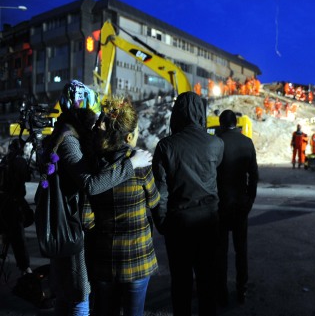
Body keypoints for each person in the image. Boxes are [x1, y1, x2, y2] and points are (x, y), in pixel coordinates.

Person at [42, 80, 152, 316]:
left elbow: (89, 208)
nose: (96, 122)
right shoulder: (70, 141)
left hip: (79, 230)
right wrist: (131, 163)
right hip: (71, 226)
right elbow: (91, 185)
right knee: (78, 296)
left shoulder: (76, 137)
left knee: (72, 294)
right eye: (93, 115)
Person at [85, 97, 160, 316]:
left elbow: (86, 219)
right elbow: (154, 201)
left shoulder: (95, 166)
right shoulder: (141, 165)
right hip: (137, 260)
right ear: (129, 136)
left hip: (105, 262)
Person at [152, 91, 224, 316]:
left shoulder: (165, 146)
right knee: (206, 282)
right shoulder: (216, 144)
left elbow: (160, 193)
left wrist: (161, 223)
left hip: (179, 224)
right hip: (209, 221)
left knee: (181, 283)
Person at [216, 110, 258, 306]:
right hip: (241, 205)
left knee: (221, 251)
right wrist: (250, 199)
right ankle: (242, 290)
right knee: (241, 250)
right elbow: (254, 175)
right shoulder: (247, 142)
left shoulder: (216, 143)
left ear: (221, 123)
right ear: (236, 123)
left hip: (221, 205)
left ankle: (221, 291)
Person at [0, 139, 32, 275]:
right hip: (14, 202)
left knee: (9, 229)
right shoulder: (19, 161)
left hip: (3, 200)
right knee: (18, 236)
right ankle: (25, 268)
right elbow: (26, 177)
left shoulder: (5, 160)